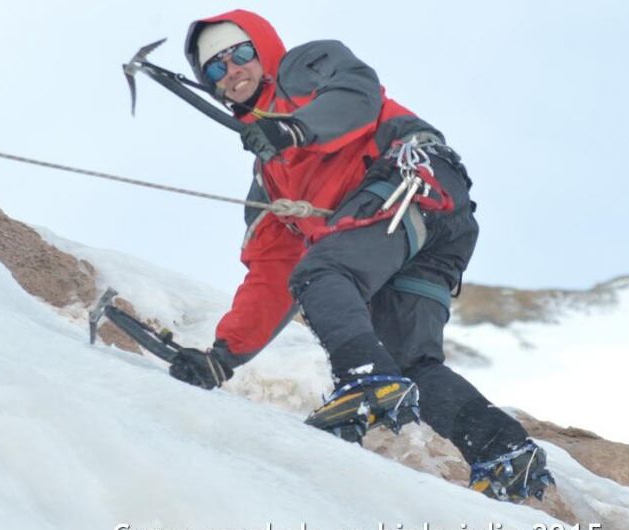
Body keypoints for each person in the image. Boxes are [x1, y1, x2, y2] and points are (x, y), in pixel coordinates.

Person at [167, 9, 553, 502]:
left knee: (325, 269)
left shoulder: (304, 66)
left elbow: (356, 94)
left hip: (415, 180)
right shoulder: (269, 181)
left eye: (240, 54)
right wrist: (222, 358)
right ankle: (504, 452)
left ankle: (364, 381)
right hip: (427, 232)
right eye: (216, 68)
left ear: (263, 50)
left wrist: (295, 130)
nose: (233, 70)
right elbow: (271, 274)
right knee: (407, 361)